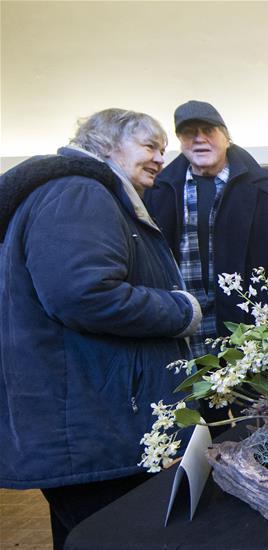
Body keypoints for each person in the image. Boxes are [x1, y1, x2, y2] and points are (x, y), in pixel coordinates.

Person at [0, 109, 202, 550]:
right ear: (106, 144)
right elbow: (84, 295)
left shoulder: (80, 192)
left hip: (87, 421)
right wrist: (181, 309)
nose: (158, 160)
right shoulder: (79, 192)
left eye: (162, 151)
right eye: (150, 146)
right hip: (92, 424)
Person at [144, 100, 268, 361]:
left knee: (252, 401)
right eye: (189, 133)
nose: (199, 139)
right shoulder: (158, 189)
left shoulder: (267, 186)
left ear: (226, 137)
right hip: (182, 324)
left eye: (208, 130)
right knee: (188, 399)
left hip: (250, 323)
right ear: (180, 142)